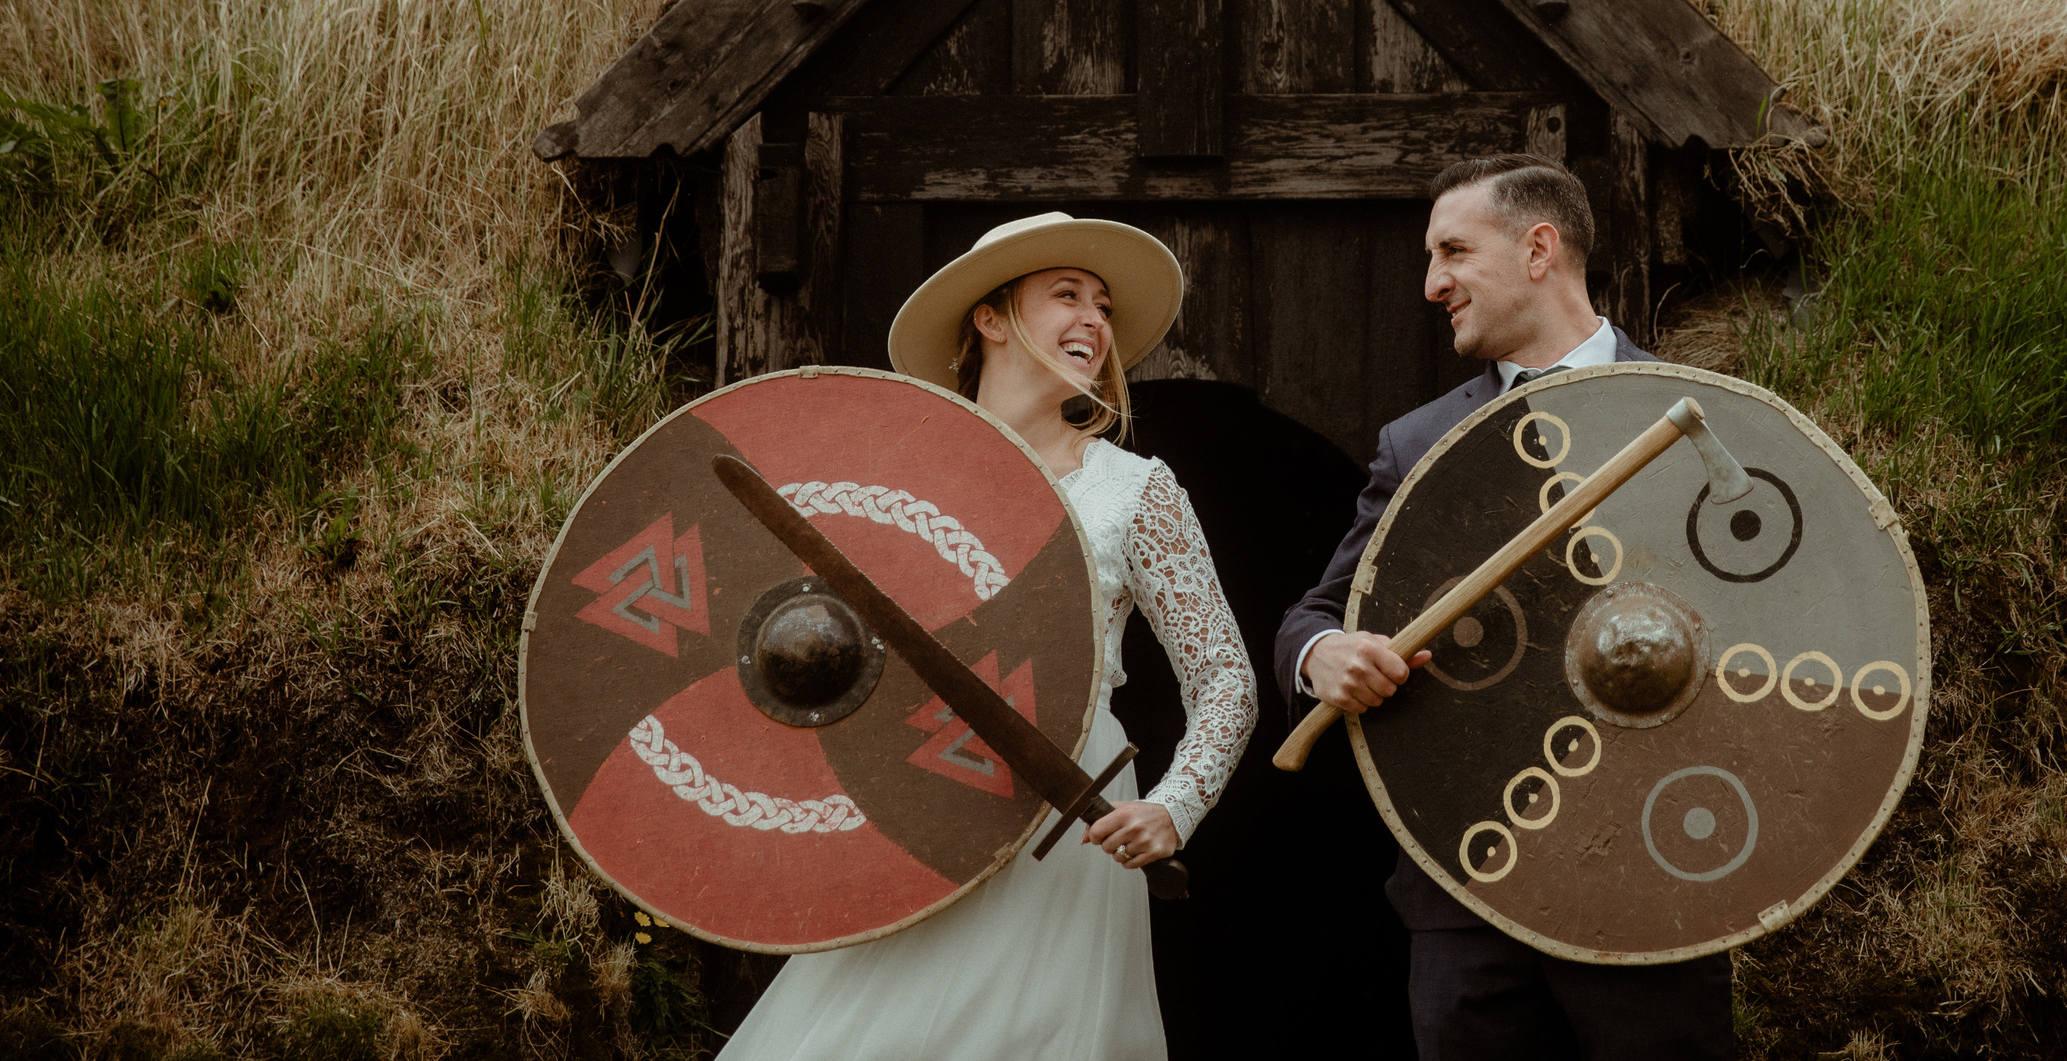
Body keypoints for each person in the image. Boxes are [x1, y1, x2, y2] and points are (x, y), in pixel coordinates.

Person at [721, 212, 1257, 1061]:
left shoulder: (1134, 490)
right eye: (1067, 294)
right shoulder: (895, 476)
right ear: (991, 317)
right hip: (912, 800)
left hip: (1065, 809)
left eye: (1104, 305)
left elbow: (1225, 676)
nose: (1094, 319)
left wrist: (1175, 804)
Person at [1275, 157, 1736, 1061]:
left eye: (1453, 251)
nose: (1431, 283)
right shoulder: (1417, 442)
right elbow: (1318, 609)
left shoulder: (1695, 417)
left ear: (1538, 249)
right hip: (1469, 884)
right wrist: (1321, 651)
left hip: (1653, 872)